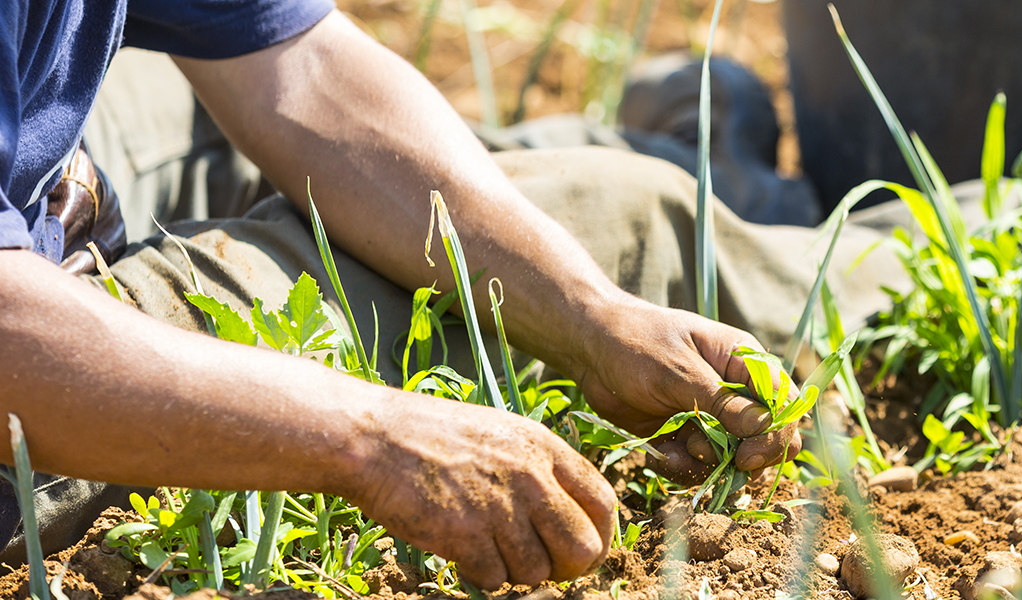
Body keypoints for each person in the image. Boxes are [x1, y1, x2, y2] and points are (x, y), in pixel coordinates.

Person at [0, 0, 909, 589]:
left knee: (203, 97)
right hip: (33, 348)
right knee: (621, 214)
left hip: (46, 175)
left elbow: (296, 69)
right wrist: (378, 434)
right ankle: (969, 223)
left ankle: (706, 160)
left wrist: (593, 316)